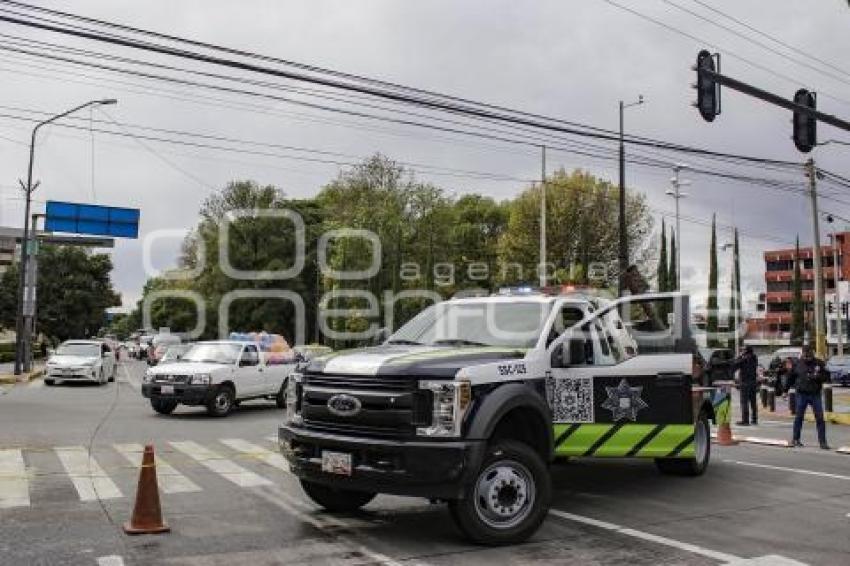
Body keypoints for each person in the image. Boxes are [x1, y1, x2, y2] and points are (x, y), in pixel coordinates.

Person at [788, 346, 830, 449]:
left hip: (815, 394)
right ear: (802, 354)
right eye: (805, 355)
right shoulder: (797, 363)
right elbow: (791, 378)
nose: (807, 358)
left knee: (820, 418)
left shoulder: (819, 363)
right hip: (801, 394)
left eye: (809, 355)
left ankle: (823, 442)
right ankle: (796, 439)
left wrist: (817, 377)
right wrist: (785, 390)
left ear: (812, 353)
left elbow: (827, 377)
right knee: (799, 417)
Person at [732, 345, 759, 426]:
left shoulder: (744, 359)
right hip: (753, 382)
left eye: (743, 350)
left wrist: (739, 356)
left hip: (745, 383)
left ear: (746, 351)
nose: (742, 351)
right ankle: (754, 419)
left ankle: (745, 420)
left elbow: (734, 365)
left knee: (744, 402)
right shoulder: (754, 358)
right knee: (753, 402)